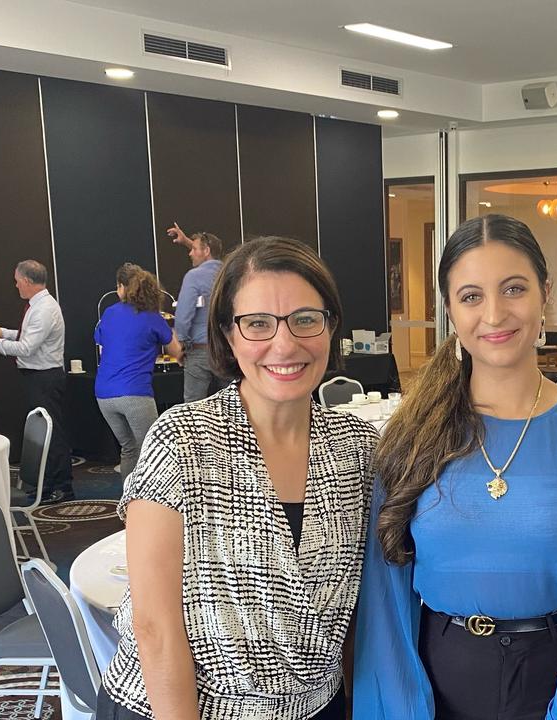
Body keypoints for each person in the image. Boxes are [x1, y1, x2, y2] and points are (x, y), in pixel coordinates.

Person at [354, 215, 557, 719]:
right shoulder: (412, 435)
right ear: (450, 309)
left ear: (544, 294)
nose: (494, 314)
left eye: (514, 289)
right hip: (436, 678)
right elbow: (385, 590)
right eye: (471, 296)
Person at [97, 237, 378, 720]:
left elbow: (354, 608)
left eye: (306, 319)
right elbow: (155, 628)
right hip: (183, 707)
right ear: (227, 334)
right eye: (257, 324)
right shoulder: (182, 439)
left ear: (331, 327)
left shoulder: (358, 447)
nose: (285, 344)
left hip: (316, 707)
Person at [0, 260, 74, 503]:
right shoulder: (38, 305)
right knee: (46, 431)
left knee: (52, 433)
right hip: (39, 378)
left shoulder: (43, 309)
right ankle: (48, 484)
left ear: (28, 281)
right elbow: (25, 335)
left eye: (18, 280)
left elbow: (26, 347)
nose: (16, 285)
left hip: (45, 378)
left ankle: (61, 486)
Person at [94, 263, 184, 480]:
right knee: (152, 451)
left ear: (122, 288)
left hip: (104, 394)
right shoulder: (153, 317)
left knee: (129, 449)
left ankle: (129, 504)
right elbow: (177, 352)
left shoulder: (109, 313)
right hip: (135, 393)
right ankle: (154, 505)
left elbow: (101, 341)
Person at [168, 223, 226, 402]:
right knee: (232, 403)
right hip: (227, 349)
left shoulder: (194, 276)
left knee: (193, 407)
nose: (190, 253)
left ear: (206, 250)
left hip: (200, 351)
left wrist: (182, 343)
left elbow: (185, 314)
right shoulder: (229, 273)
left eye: (193, 249)